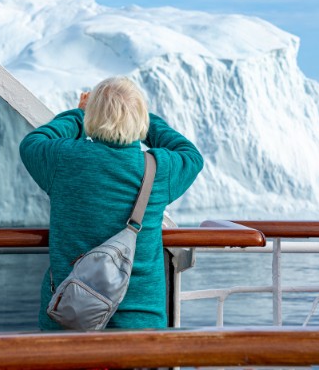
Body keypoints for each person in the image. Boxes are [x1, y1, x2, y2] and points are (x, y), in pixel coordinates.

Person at [19, 76, 203, 330]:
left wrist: (77, 114)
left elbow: (34, 142)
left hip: (70, 318)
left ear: (91, 118)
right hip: (139, 323)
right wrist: (139, 119)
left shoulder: (64, 159)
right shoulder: (159, 169)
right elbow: (190, 154)